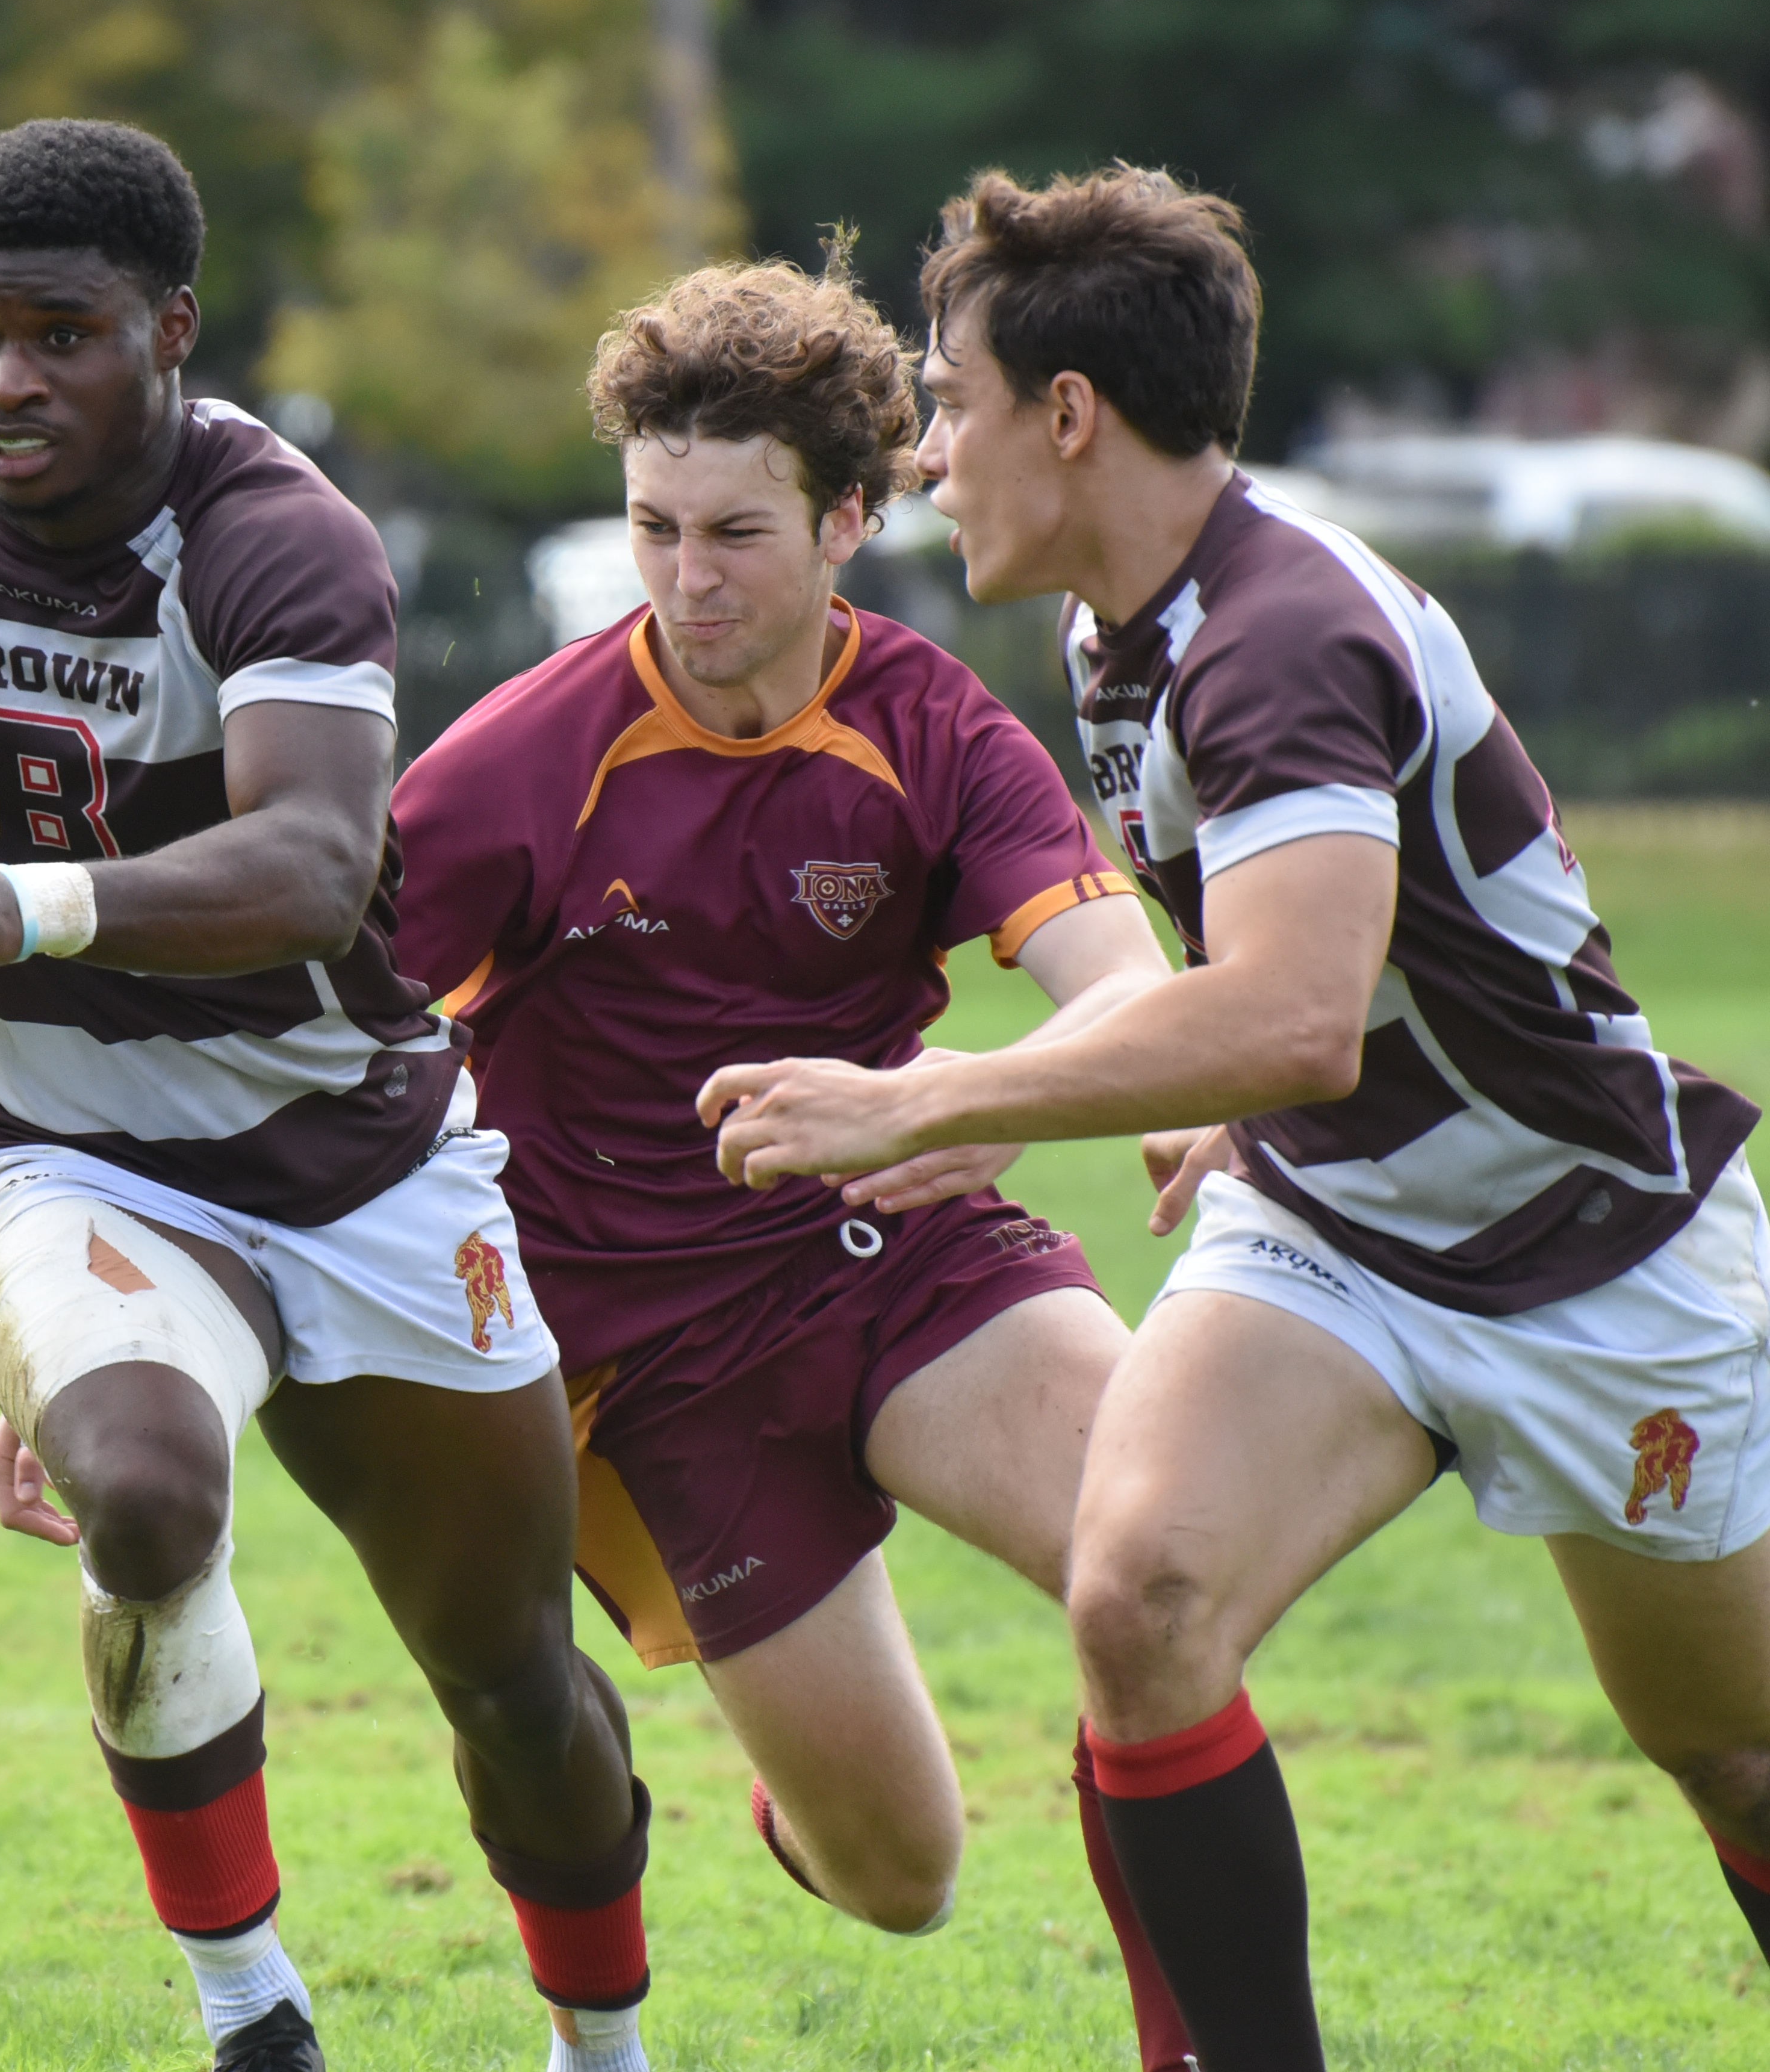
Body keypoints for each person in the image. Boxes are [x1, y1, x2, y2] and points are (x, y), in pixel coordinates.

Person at [0, 119, 651, 2072]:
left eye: (57, 333)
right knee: (149, 1501)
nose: (3, 380)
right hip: (67, 1146)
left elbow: (315, 865)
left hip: (359, 1160)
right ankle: (254, 2018)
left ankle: (601, 2045)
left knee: (509, 1679)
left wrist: (18, 895)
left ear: (168, 331)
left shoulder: (277, 540)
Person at [701, 167, 1770, 2068]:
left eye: (949, 403)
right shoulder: (1123, 624)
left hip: (1594, 1240)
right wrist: (1213, 1097)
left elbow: (1289, 1013)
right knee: (1143, 1594)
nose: (933, 458)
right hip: (1341, 1227)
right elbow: (1289, 997)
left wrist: (947, 1096)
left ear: (1071, 414)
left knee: (1737, 1756)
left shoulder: (1277, 632)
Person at [379, 254, 1199, 2068]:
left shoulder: (932, 730)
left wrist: (1074, 1093)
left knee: (1166, 1567)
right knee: (902, 1878)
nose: (687, 578)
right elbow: (313, 1047)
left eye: (736, 531)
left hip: (911, 1256)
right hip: (665, 1361)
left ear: (850, 517)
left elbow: (1114, 973)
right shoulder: (518, 767)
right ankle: (805, 1790)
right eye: (655, 526)